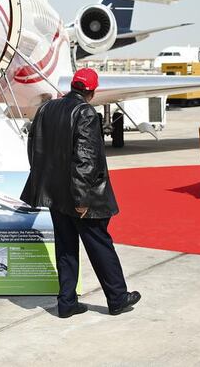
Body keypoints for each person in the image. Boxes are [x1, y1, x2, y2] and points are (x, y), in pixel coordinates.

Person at [21, 68, 141, 318]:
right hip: (78, 196)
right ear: (92, 91)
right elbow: (85, 160)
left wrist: (46, 184)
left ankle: (66, 302)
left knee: (65, 248)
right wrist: (81, 199)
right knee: (99, 245)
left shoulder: (47, 108)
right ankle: (117, 297)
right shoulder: (84, 112)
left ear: (73, 85)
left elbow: (34, 148)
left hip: (55, 195)